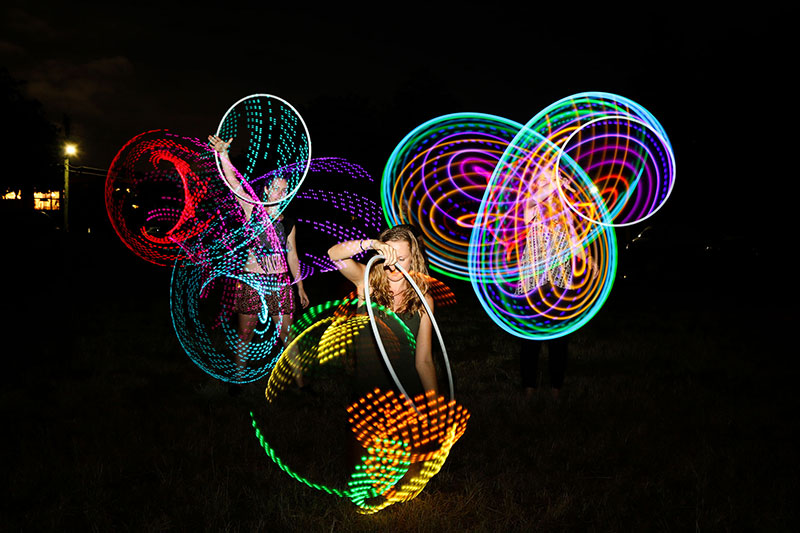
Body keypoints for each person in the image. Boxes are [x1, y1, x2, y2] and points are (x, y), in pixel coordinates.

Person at [208, 135, 309, 391]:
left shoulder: (288, 220)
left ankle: (301, 384)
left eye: (285, 188)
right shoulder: (252, 208)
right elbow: (234, 183)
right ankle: (238, 381)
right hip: (252, 281)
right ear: (266, 189)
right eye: (276, 187)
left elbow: (293, 255)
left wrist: (300, 288)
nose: (281, 192)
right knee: (246, 334)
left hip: (279, 283)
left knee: (288, 335)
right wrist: (223, 154)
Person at [515, 166, 591, 400]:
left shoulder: (563, 212)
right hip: (533, 284)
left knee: (559, 340)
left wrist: (588, 258)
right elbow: (532, 200)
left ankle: (556, 391)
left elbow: (574, 241)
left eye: (556, 177)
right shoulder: (532, 206)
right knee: (531, 339)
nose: (554, 181)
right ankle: (529, 390)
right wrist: (554, 183)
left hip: (559, 282)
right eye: (547, 178)